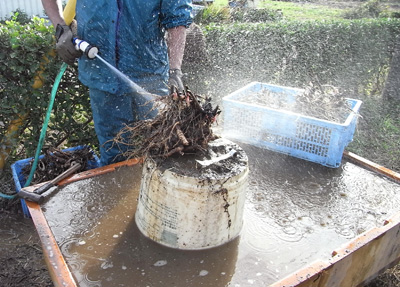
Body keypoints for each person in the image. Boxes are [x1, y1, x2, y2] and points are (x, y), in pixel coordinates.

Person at [41, 0, 193, 166]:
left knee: (164, 148)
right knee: (115, 154)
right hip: (102, 76)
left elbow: (177, 17)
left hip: (150, 76)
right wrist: (60, 27)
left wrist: (175, 70)